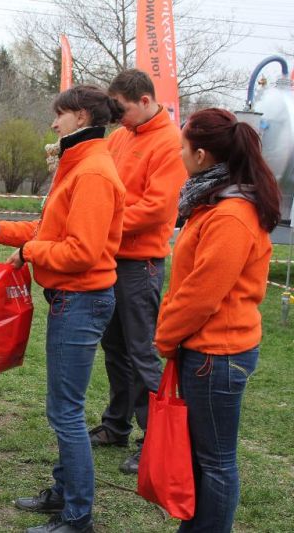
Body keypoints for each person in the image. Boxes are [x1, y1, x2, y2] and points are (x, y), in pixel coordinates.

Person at [0, 85, 125, 533]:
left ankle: (77, 515)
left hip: (81, 300)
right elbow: (48, 228)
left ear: (80, 116)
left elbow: (81, 252)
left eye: (58, 115)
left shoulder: (94, 172)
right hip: (71, 300)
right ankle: (64, 493)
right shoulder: (78, 164)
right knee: (63, 407)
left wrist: (30, 253)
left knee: (65, 411)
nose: (52, 123)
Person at [154, 108, 280, 533]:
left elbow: (201, 295)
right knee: (205, 459)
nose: (179, 155)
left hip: (216, 354)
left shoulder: (230, 215)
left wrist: (166, 337)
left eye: (183, 148)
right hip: (207, 350)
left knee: (217, 462)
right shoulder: (213, 203)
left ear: (203, 155)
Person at [89, 69, 188, 474]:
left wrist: (99, 222)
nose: (118, 115)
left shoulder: (170, 144)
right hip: (111, 257)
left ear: (146, 101)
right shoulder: (121, 136)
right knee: (115, 348)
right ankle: (117, 425)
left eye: (123, 108)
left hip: (140, 262)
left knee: (142, 351)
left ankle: (156, 439)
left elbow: (158, 209)